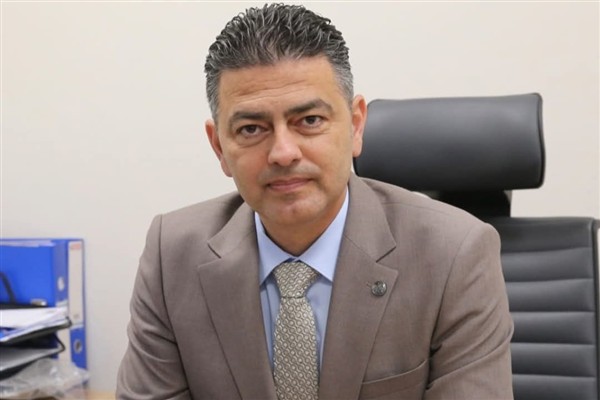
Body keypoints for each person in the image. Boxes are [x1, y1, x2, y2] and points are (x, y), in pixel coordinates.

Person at [117, 3, 514, 399]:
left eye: (309, 121)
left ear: (355, 125)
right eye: (252, 128)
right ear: (219, 146)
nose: (283, 153)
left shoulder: (453, 254)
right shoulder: (172, 255)